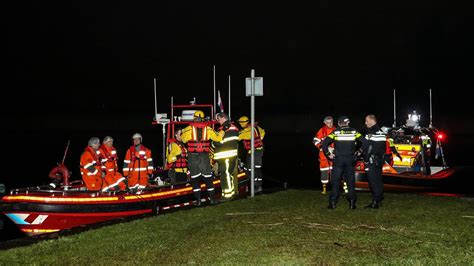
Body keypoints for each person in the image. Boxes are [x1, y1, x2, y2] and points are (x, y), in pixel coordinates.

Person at [322, 115, 368, 209]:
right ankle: (352, 203)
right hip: (350, 160)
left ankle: (333, 203)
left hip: (338, 160)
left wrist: (328, 154)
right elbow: (365, 142)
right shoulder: (354, 131)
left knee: (335, 182)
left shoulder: (336, 132)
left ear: (339, 123)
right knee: (350, 182)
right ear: (348, 123)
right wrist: (359, 152)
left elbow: (325, 143)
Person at [181, 111, 224, 206]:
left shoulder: (188, 129)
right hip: (204, 157)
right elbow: (219, 138)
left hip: (193, 157)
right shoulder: (208, 129)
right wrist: (222, 131)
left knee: (195, 179)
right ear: (203, 118)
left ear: (194, 118)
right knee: (208, 178)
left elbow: (183, 139)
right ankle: (212, 199)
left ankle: (198, 201)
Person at [213, 112, 240, 201]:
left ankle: (227, 196)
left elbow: (218, 142)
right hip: (229, 155)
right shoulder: (233, 127)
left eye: (218, 119)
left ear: (223, 118)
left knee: (226, 174)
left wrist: (213, 143)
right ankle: (228, 193)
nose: (218, 121)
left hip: (226, 156)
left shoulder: (226, 129)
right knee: (228, 174)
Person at [363, 115, 387, 209]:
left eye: (366, 121)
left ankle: (375, 202)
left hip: (372, 160)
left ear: (371, 121)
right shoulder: (381, 132)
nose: (365, 123)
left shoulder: (370, 132)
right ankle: (379, 199)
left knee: (373, 182)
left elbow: (369, 147)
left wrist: (366, 160)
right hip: (379, 160)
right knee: (378, 180)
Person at [238, 116, 266, 193]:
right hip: (255, 151)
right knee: (249, 169)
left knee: (255, 169)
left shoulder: (248, 131)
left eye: (240, 123)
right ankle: (254, 185)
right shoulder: (256, 127)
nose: (240, 124)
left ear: (244, 123)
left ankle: (258, 186)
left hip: (256, 152)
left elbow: (239, 136)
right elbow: (263, 133)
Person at [313, 116, 335, 194]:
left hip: (334, 153)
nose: (330, 124)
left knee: (334, 170)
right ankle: (324, 188)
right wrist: (321, 146)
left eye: (331, 122)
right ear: (325, 123)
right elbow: (315, 140)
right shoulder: (322, 130)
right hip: (323, 154)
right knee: (324, 170)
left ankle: (334, 187)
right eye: (328, 122)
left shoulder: (336, 130)